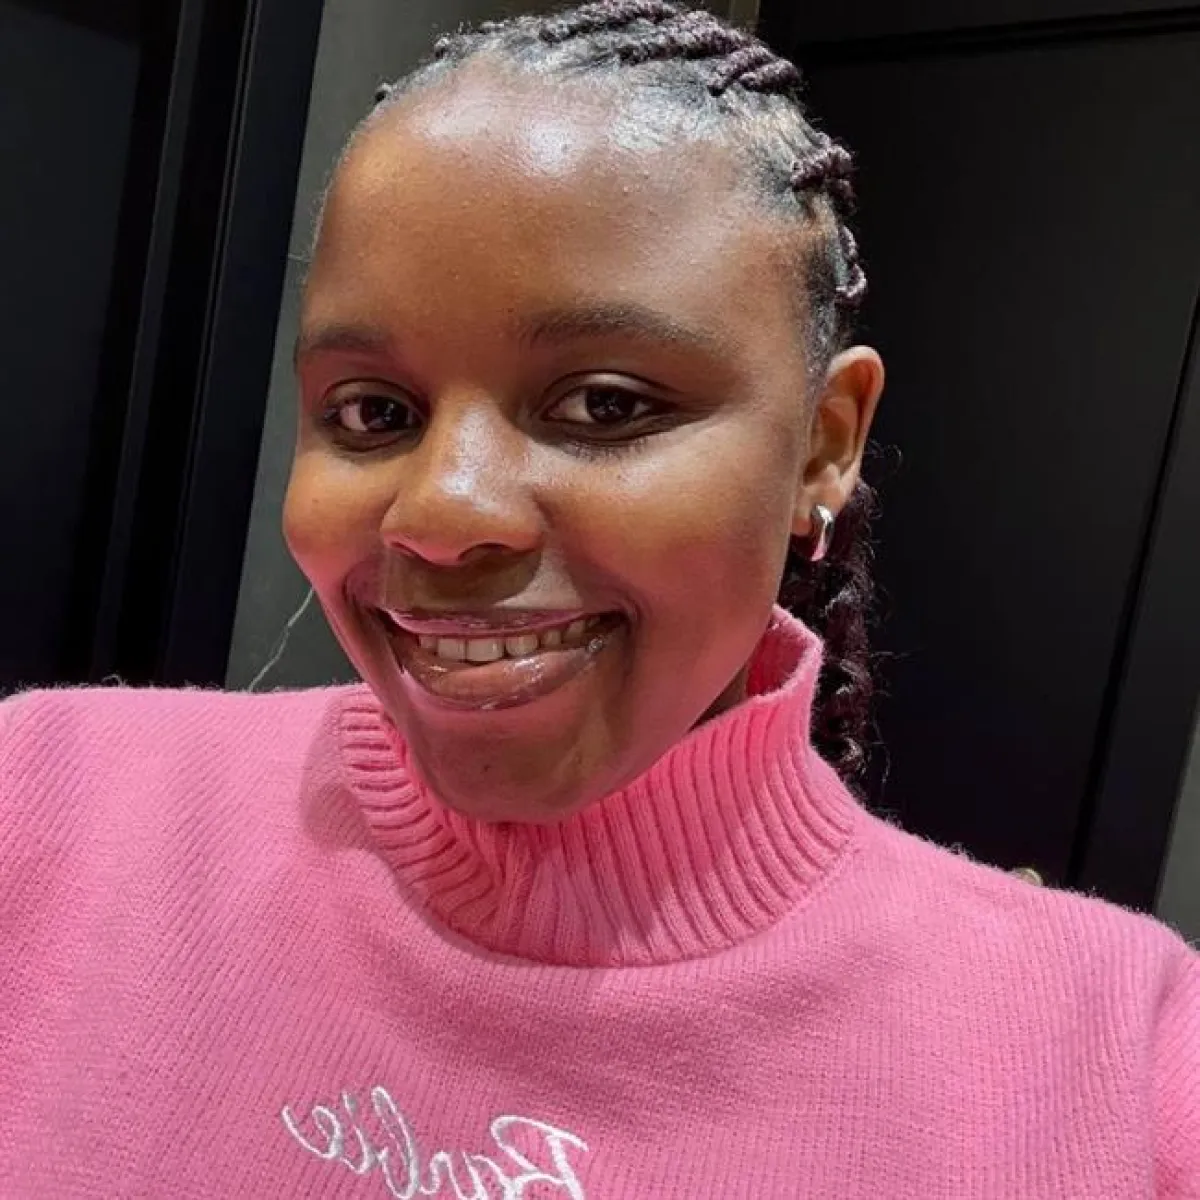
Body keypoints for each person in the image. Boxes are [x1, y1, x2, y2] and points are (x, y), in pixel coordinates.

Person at [1, 2, 1196, 1196]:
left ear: (825, 443)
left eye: (606, 405)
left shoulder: (1120, 1062)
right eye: (374, 412)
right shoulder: (46, 808)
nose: (442, 512)